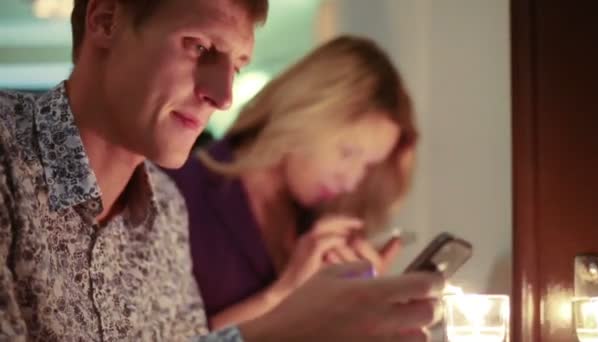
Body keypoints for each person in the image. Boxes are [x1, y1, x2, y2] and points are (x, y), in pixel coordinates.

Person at [0, 0, 444, 341]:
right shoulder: (9, 159)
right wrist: (287, 324)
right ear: (105, 21)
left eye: (236, 66)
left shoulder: (166, 212)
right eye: (200, 47)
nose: (224, 95)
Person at [166, 36, 419, 330]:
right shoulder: (177, 192)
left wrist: (353, 305)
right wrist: (287, 291)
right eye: (347, 152)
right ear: (304, 113)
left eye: (367, 166)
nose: (351, 182)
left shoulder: (312, 226)